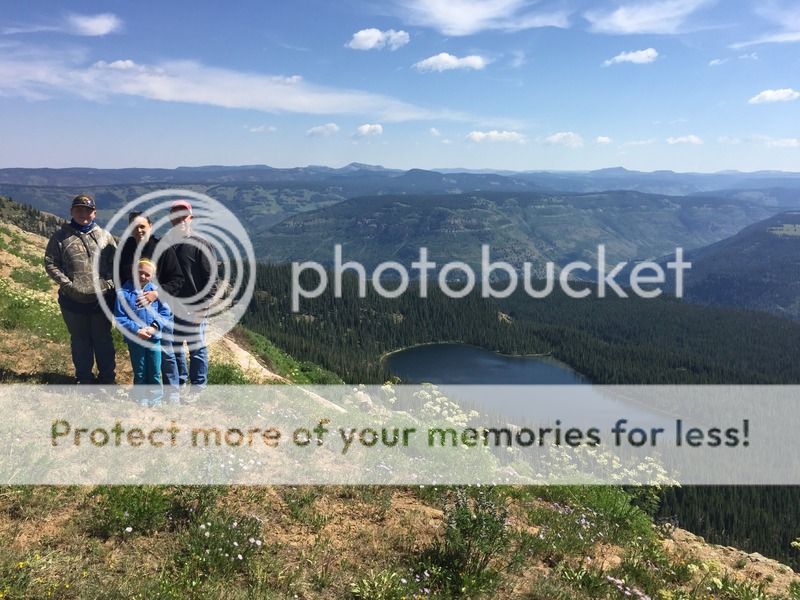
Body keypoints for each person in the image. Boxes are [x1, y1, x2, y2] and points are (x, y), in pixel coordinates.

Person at [44, 193, 117, 384]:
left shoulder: (105, 236)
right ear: (71, 211)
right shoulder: (60, 237)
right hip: (72, 300)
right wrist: (68, 285)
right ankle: (84, 379)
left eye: (87, 210)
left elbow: (115, 263)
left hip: (102, 299)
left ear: (94, 213)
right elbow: (50, 263)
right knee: (80, 340)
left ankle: (107, 379)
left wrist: (109, 284)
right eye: (78, 210)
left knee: (103, 340)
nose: (83, 213)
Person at [116, 212, 184, 402]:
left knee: (166, 353)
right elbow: (119, 277)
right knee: (140, 358)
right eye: (134, 227)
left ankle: (172, 393)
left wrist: (157, 294)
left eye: (142, 226)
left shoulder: (163, 248)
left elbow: (178, 279)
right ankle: (144, 393)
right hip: (134, 314)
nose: (138, 230)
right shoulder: (125, 249)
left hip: (159, 311)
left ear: (151, 227)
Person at [165, 199, 217, 395]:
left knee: (196, 349)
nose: (180, 219)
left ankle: (197, 387)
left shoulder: (201, 244)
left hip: (194, 306)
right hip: (171, 307)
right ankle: (180, 382)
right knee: (175, 347)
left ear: (191, 218)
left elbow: (211, 281)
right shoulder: (165, 244)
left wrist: (202, 309)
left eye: (184, 216)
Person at [114, 259, 172, 406]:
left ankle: (155, 397)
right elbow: (120, 317)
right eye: (140, 272)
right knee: (139, 369)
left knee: (155, 369)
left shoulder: (157, 293)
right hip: (135, 338)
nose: (143, 276)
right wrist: (137, 329)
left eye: (147, 274)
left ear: (152, 276)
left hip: (154, 337)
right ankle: (141, 396)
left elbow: (165, 313)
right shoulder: (123, 293)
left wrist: (154, 327)